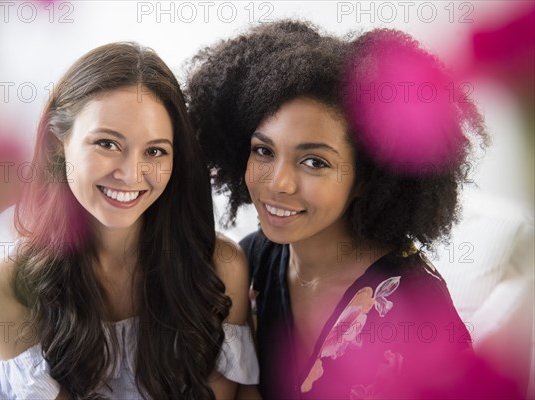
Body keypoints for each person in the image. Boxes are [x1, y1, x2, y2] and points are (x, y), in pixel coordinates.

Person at [186, 20, 515, 399]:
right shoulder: (253, 259)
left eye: (314, 162)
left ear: (365, 177)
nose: (278, 183)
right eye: (264, 151)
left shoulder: (413, 305)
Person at [0, 42, 258, 399]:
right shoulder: (8, 286)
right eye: (107, 144)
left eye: (155, 151)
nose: (130, 174)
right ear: (57, 142)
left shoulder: (220, 266)